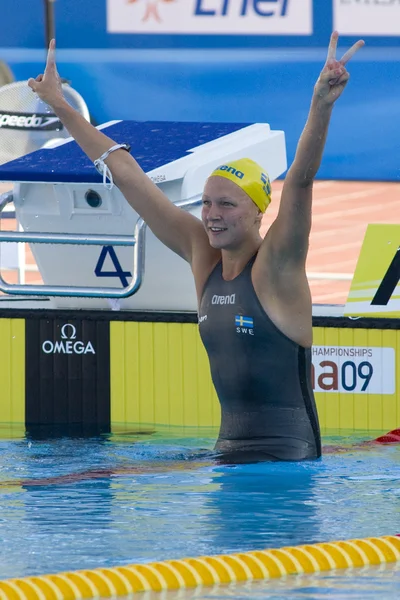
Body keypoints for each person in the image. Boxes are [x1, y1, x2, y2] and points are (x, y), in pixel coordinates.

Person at [28, 33, 364, 463]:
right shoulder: (201, 254)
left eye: (227, 204)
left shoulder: (276, 265)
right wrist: (60, 105)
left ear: (259, 212)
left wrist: (321, 104)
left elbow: (299, 179)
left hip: (287, 463)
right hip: (227, 456)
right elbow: (129, 177)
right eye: (206, 203)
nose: (211, 214)